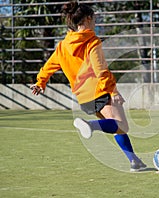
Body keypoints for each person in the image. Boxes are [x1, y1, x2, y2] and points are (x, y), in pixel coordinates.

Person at [30, 1, 146, 172]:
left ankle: (134, 161)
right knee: (122, 125)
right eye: (94, 19)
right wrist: (113, 91)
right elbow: (101, 70)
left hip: (83, 98)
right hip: (99, 91)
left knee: (114, 126)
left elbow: (49, 66)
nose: (95, 23)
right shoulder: (92, 41)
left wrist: (40, 82)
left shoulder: (62, 46)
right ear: (88, 18)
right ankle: (90, 125)